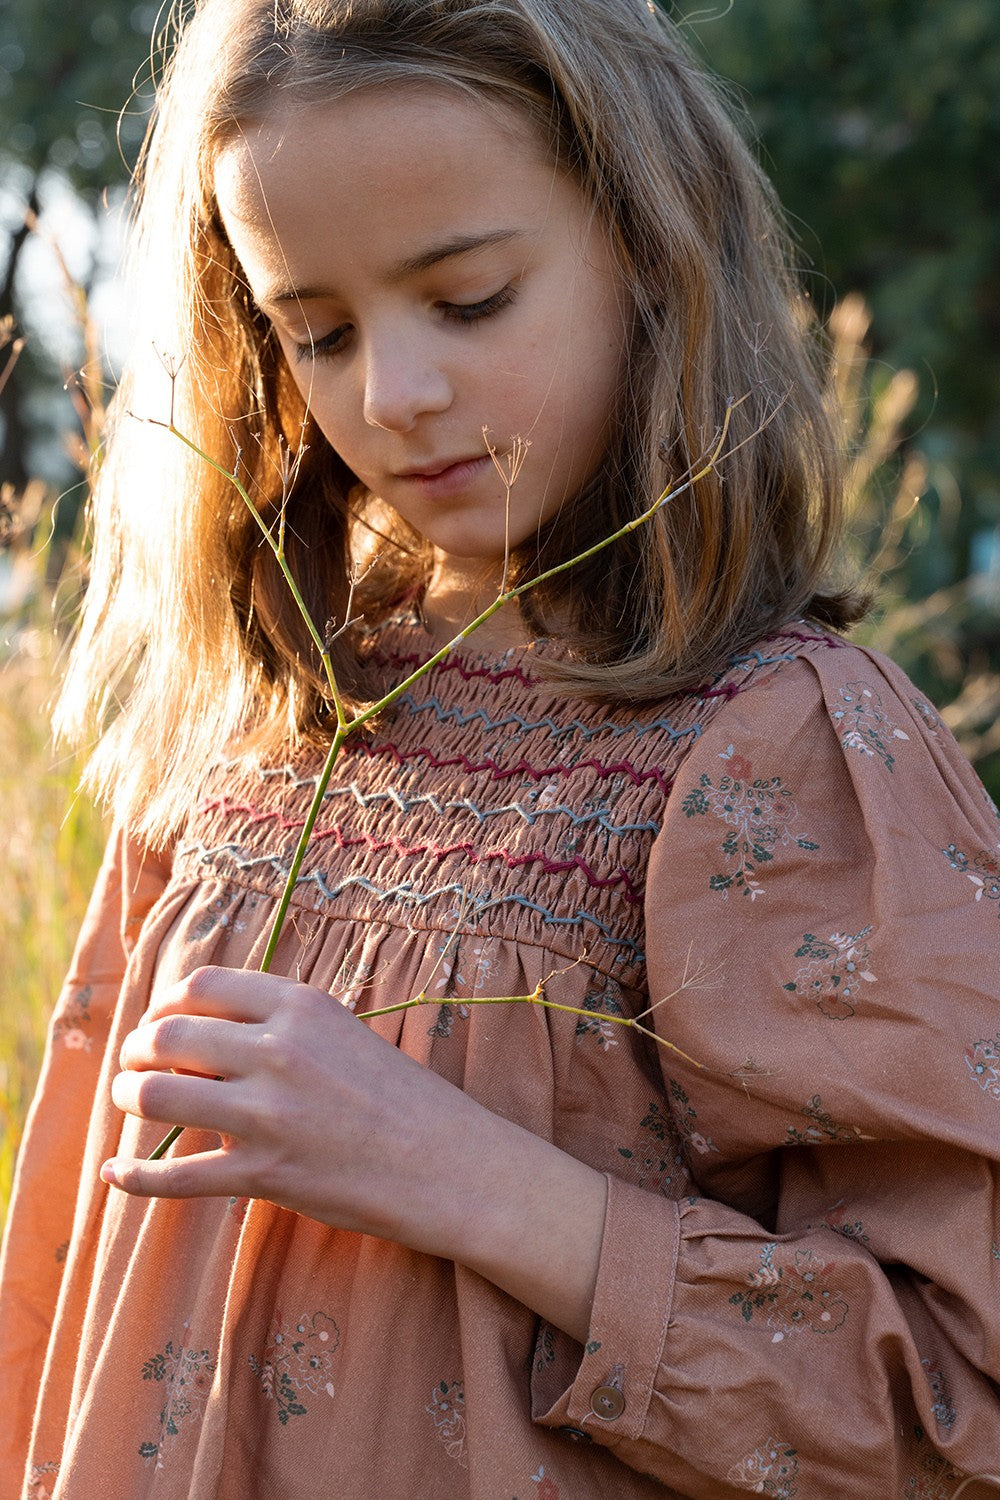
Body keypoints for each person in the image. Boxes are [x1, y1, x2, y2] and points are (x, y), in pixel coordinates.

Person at [2, 0, 998, 1494]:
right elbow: (59, 1300)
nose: (393, 396)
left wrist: (472, 1181)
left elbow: (953, 1405)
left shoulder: (780, 748)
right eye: (317, 332)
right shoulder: (263, 706)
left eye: (467, 301)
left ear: (652, 254)